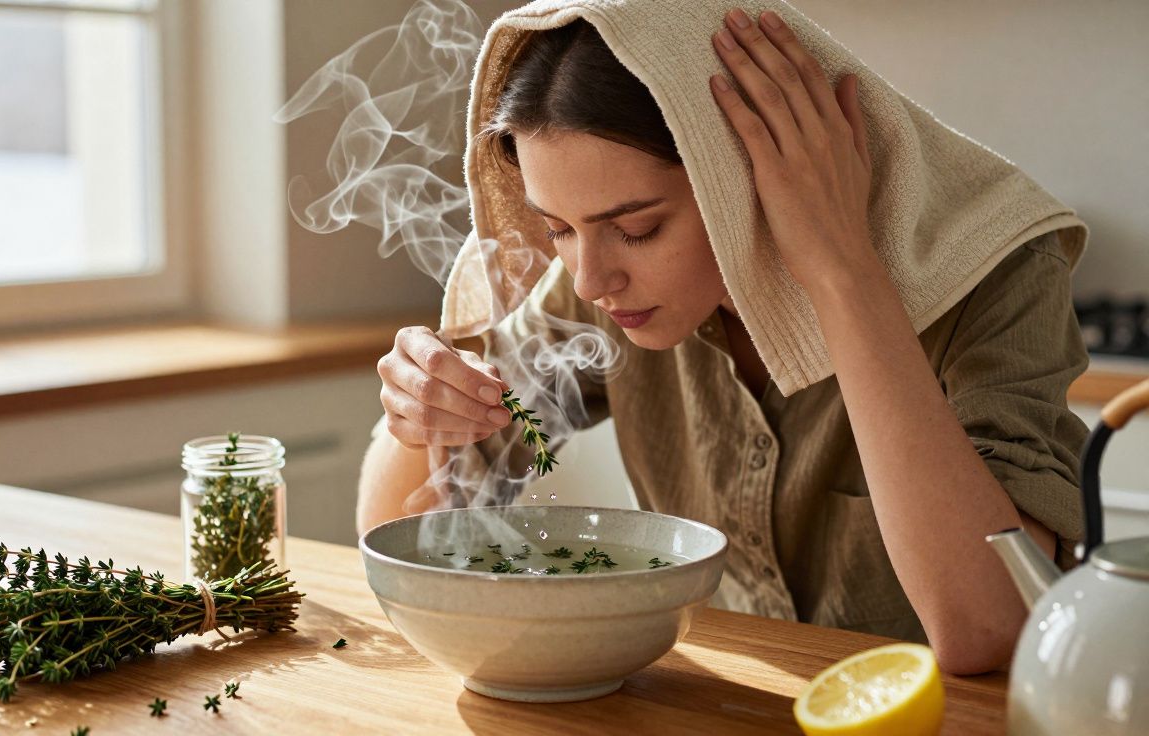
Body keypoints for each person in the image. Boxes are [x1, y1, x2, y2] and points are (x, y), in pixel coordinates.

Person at [357, 7, 1088, 675]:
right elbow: (404, 535)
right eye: (557, 229)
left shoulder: (1002, 273)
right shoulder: (597, 286)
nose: (590, 279)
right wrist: (422, 407)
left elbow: (991, 627)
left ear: (738, 178)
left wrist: (842, 272)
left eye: (638, 228)